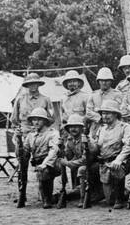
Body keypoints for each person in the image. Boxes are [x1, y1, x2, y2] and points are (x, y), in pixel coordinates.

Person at [11, 73, 57, 206]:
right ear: (26, 85)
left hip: (41, 137)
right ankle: (22, 194)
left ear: (39, 84)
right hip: (25, 136)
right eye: (30, 84)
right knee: (22, 166)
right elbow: (14, 119)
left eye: (35, 83)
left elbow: (52, 118)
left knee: (45, 163)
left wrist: (42, 129)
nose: (33, 86)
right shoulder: (20, 99)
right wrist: (21, 132)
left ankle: (45, 195)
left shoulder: (46, 100)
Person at [92, 99, 130, 211]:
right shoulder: (101, 129)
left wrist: (119, 160)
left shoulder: (124, 127)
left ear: (116, 114)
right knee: (109, 200)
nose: (105, 116)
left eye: (108, 113)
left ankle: (121, 198)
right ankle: (101, 192)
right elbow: (96, 147)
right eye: (103, 113)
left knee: (117, 170)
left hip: (120, 161)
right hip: (104, 163)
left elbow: (127, 146)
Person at [25, 107, 61, 209]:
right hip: (38, 164)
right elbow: (25, 151)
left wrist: (44, 164)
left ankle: (48, 200)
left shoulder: (52, 133)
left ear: (45, 121)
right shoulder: (31, 136)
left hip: (53, 163)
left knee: (44, 173)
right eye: (34, 119)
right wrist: (17, 139)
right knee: (42, 184)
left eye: (39, 119)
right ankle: (51, 197)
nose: (36, 122)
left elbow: (53, 151)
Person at [58, 114, 92, 207]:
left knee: (81, 169)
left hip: (92, 166)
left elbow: (86, 159)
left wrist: (69, 163)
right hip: (81, 165)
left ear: (81, 128)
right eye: (71, 127)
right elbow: (68, 155)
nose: (73, 129)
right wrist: (61, 152)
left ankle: (82, 197)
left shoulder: (86, 140)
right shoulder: (70, 140)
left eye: (76, 126)